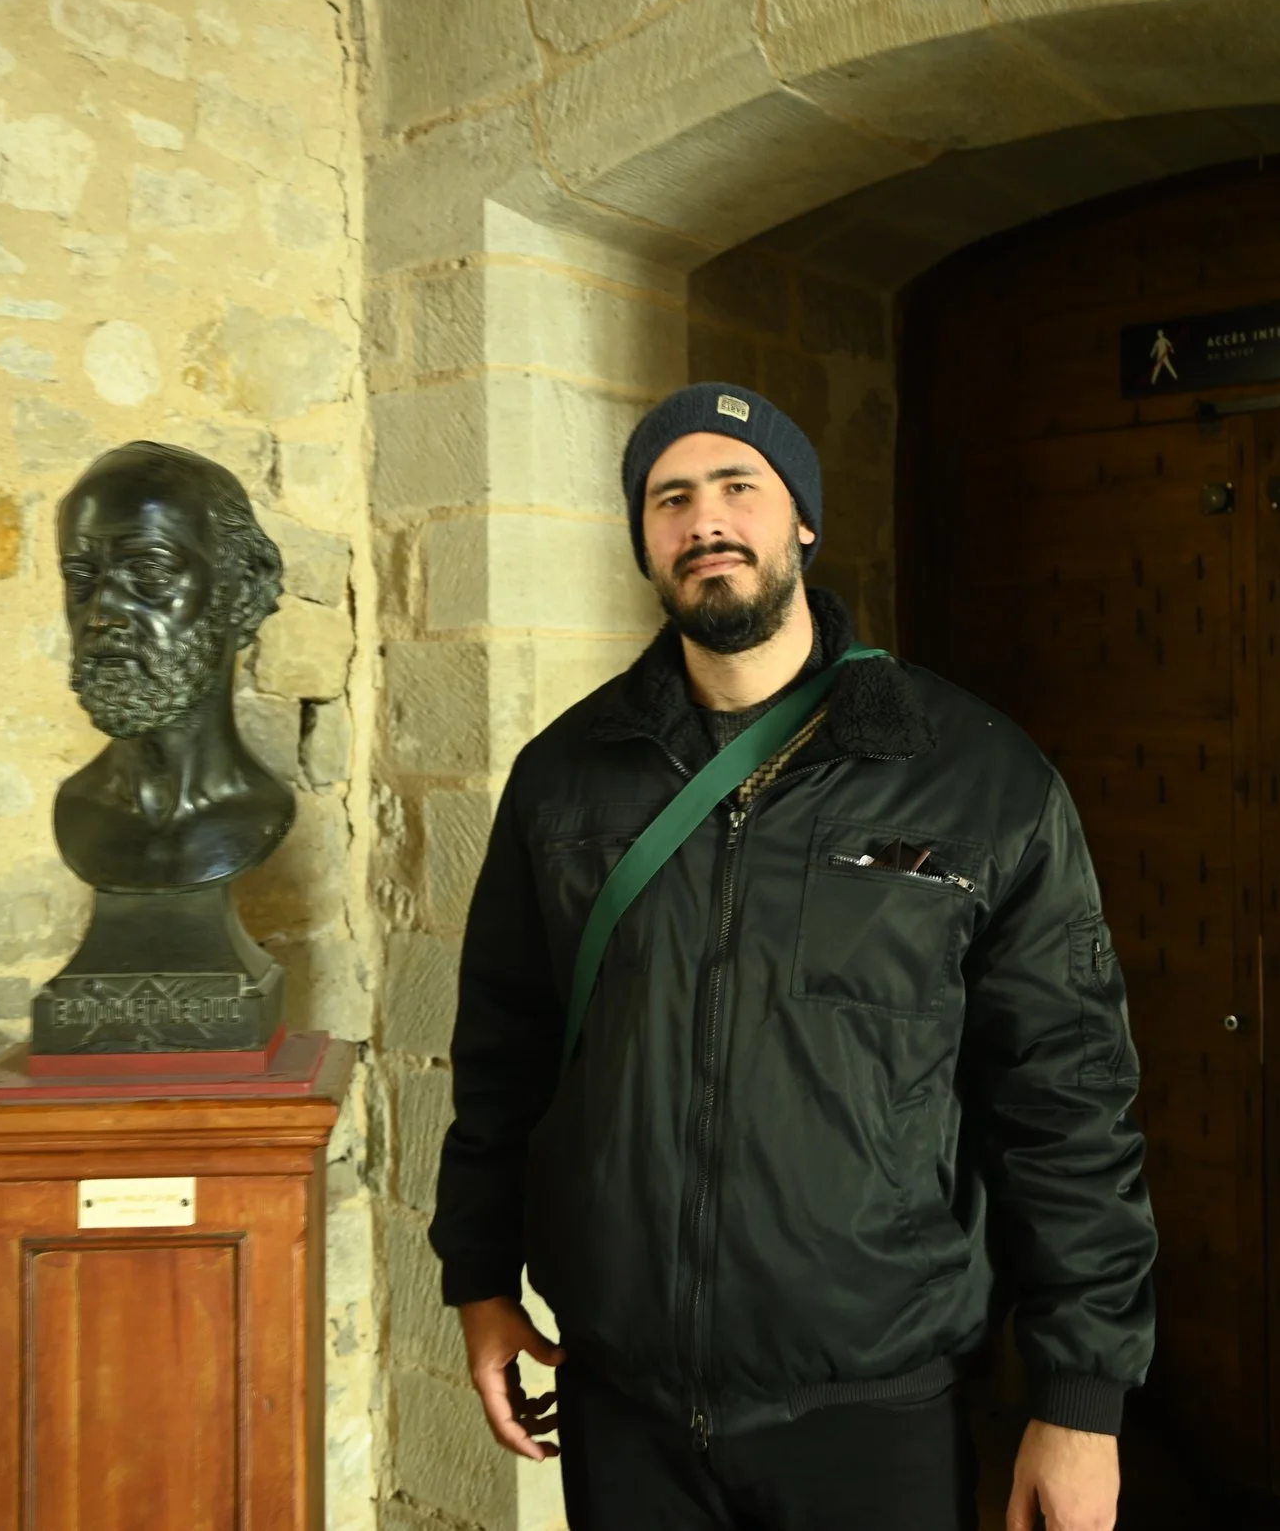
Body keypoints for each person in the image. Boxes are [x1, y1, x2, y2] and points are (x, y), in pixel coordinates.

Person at [430, 382, 1157, 1531]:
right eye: (670, 497)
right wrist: (476, 1276)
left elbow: (1066, 1097)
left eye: (738, 487)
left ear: (802, 523)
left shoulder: (975, 776)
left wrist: (1080, 1399)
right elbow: (502, 1053)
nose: (704, 519)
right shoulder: (565, 778)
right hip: (624, 1404)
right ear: (644, 538)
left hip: (873, 1405)